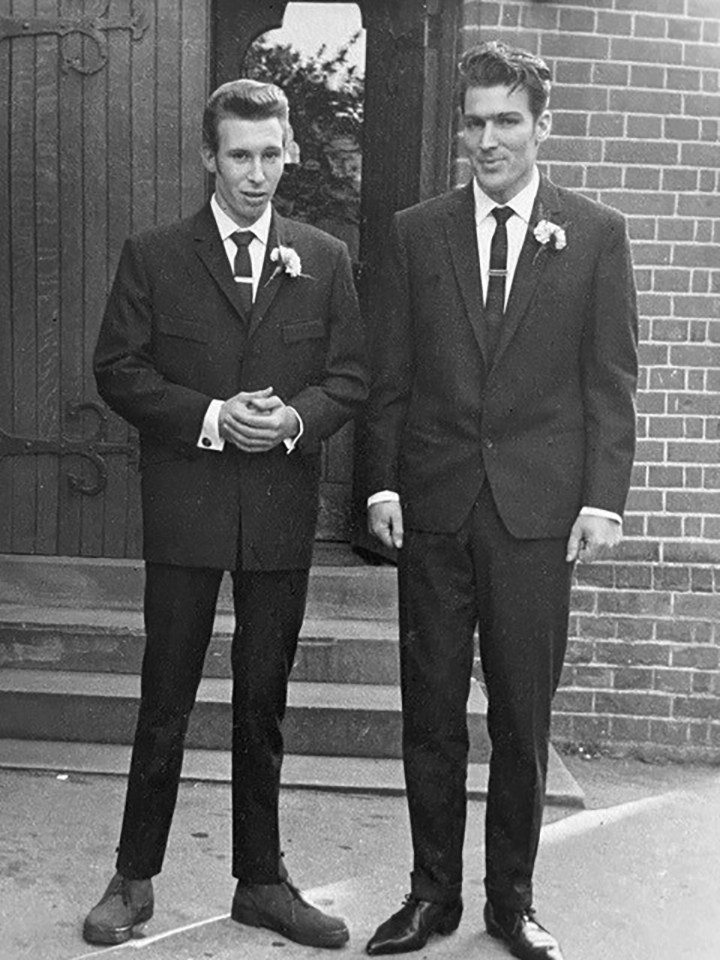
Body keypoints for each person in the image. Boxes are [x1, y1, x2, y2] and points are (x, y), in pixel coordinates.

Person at [363, 41, 637, 960]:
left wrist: (604, 499)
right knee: (431, 712)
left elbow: (610, 384)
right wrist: (384, 480)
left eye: (506, 121)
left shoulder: (593, 232)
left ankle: (510, 904)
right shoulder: (416, 230)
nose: (487, 140)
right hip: (436, 508)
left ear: (540, 127)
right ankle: (430, 895)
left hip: (537, 519)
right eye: (473, 122)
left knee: (521, 717)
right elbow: (389, 373)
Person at [84, 78, 367, 949]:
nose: (256, 173)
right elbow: (118, 370)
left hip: (278, 515)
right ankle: (133, 882)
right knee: (164, 695)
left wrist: (291, 420)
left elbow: (351, 380)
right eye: (238, 154)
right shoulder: (156, 254)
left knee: (263, 701)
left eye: (270, 154)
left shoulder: (322, 256)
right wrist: (211, 418)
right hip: (187, 510)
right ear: (210, 156)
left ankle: (262, 882)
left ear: (288, 153)